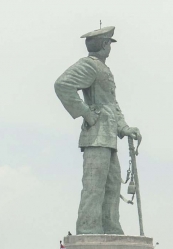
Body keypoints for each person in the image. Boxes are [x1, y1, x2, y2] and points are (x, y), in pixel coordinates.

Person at [54, 26, 142, 235]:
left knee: (112, 186)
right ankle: (88, 228)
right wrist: (86, 112)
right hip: (95, 137)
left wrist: (124, 128)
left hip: (109, 137)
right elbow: (62, 84)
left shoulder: (103, 68)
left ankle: (110, 227)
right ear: (104, 45)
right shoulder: (89, 65)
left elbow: (111, 104)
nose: (110, 47)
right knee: (94, 186)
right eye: (109, 43)